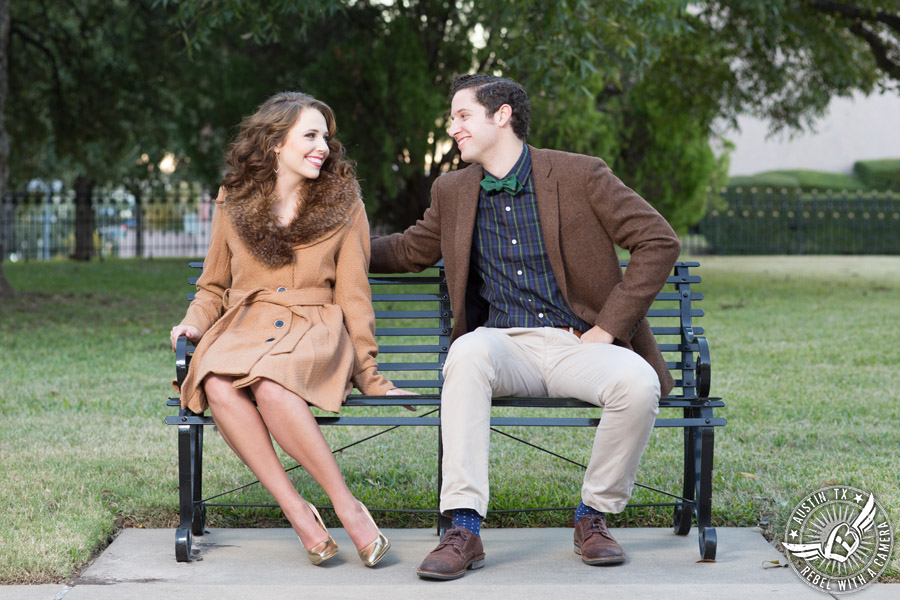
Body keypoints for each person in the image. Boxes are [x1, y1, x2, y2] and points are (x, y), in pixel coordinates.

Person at [368, 74, 682, 580]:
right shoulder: (453, 189)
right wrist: (334, 245)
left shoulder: (581, 175)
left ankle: (592, 516)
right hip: (501, 346)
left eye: (462, 116)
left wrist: (607, 327)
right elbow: (409, 250)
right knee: (466, 354)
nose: (453, 128)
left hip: (575, 344)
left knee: (638, 382)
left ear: (503, 115)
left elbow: (658, 240)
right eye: (453, 119)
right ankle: (463, 527)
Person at [170, 91, 414, 568]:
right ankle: (296, 509)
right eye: (310, 135)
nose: (323, 145)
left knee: (271, 383)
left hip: (313, 327)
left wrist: (368, 373)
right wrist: (192, 323)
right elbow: (213, 284)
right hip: (245, 325)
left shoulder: (345, 205)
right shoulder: (233, 200)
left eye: (326, 135)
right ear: (276, 143)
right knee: (216, 381)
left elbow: (354, 296)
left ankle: (346, 506)